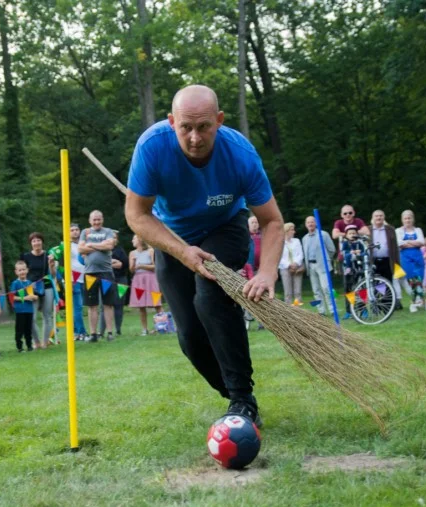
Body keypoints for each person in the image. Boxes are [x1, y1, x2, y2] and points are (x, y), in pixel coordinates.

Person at [125, 84, 284, 426]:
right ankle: (236, 400)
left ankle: (242, 399)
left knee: (211, 297)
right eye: (186, 127)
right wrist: (182, 251)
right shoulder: (152, 148)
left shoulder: (240, 154)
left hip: (225, 227)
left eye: (204, 127)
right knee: (191, 339)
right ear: (171, 122)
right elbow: (137, 215)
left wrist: (267, 271)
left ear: (219, 121)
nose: (194, 138)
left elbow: (272, 221)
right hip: (173, 237)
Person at [79, 211, 118, 343]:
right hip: (90, 272)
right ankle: (93, 334)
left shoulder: (108, 231)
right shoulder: (85, 232)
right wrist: (101, 247)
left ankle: (110, 332)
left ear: (102, 219)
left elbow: (109, 245)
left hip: (106, 272)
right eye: (94, 220)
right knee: (92, 305)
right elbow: (80, 250)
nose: (96, 222)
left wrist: (90, 245)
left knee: (108, 304)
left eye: (99, 219)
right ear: (90, 221)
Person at [20, 232, 56, 349]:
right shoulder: (25, 257)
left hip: (47, 287)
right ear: (31, 243)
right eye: (34, 241)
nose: (36, 243)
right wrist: (27, 284)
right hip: (31, 289)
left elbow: (54, 275)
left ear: (42, 242)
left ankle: (45, 342)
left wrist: (51, 265)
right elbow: (22, 273)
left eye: (38, 240)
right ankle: (37, 343)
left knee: (47, 315)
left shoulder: (48, 255)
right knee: (31, 317)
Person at [52, 223, 87, 341]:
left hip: (84, 278)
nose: (75, 232)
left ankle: (77, 332)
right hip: (73, 279)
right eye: (72, 230)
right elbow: (53, 253)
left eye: (77, 229)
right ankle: (80, 332)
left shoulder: (83, 244)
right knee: (77, 307)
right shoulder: (65, 245)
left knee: (77, 307)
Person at [301, 216, 336, 316]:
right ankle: (321, 311)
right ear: (306, 225)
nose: (310, 224)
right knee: (316, 290)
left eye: (312, 222)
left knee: (326, 288)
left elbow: (331, 249)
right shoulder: (304, 238)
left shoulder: (323, 235)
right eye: (308, 222)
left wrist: (326, 259)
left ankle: (332, 309)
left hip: (322, 265)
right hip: (311, 266)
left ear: (316, 223)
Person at [129, 235, 161, 335]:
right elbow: (131, 269)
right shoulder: (132, 253)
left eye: (134, 238)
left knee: (156, 303)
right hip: (138, 279)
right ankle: (144, 329)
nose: (132, 241)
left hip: (150, 278)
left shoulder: (150, 251)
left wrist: (141, 265)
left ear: (139, 239)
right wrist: (134, 263)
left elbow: (155, 266)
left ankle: (162, 326)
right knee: (141, 306)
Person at [369, 210, 401, 309]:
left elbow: (395, 247)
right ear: (373, 218)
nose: (379, 218)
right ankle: (377, 305)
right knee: (376, 283)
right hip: (373, 261)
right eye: (376, 216)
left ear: (384, 217)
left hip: (387, 260)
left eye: (381, 216)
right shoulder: (368, 230)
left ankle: (388, 304)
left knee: (388, 282)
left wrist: (397, 262)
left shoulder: (390, 229)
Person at [396, 210, 426, 313]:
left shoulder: (418, 230)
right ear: (402, 220)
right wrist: (414, 243)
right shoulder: (398, 231)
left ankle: (420, 301)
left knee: (419, 279)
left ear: (412, 219)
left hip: (418, 257)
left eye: (409, 218)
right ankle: (414, 302)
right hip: (405, 258)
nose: (407, 220)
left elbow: (422, 242)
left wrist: (407, 242)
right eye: (405, 218)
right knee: (411, 279)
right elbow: (399, 243)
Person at [100, 236, 129, 336]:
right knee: (105, 305)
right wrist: (113, 263)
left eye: (115, 238)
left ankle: (118, 329)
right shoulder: (102, 250)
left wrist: (118, 263)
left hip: (120, 279)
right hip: (106, 279)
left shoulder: (120, 251)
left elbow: (125, 264)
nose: (113, 240)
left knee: (119, 304)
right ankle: (102, 331)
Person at [11, 261, 38, 352]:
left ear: (27, 270)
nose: (22, 272)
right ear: (16, 272)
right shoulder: (15, 283)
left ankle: (29, 346)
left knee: (28, 329)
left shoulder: (30, 282)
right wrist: (25, 297)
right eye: (20, 270)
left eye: (23, 269)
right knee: (20, 330)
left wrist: (34, 297)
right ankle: (19, 347)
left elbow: (32, 295)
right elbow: (12, 297)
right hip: (20, 310)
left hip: (29, 310)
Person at [341, 225, 365, 318]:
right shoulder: (345, 244)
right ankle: (349, 311)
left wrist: (359, 253)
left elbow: (365, 253)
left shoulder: (360, 244)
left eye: (354, 233)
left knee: (361, 289)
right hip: (348, 271)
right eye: (350, 233)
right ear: (346, 235)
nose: (352, 235)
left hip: (359, 269)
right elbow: (344, 254)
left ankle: (363, 310)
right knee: (348, 289)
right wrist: (352, 253)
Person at [278, 222, 304, 305]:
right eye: (292, 230)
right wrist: (289, 265)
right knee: (288, 292)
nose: (294, 232)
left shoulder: (296, 241)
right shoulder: (279, 243)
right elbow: (279, 257)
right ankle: (289, 312)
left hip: (297, 268)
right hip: (285, 268)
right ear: (286, 231)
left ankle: (298, 311)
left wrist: (295, 263)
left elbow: (300, 254)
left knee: (298, 291)